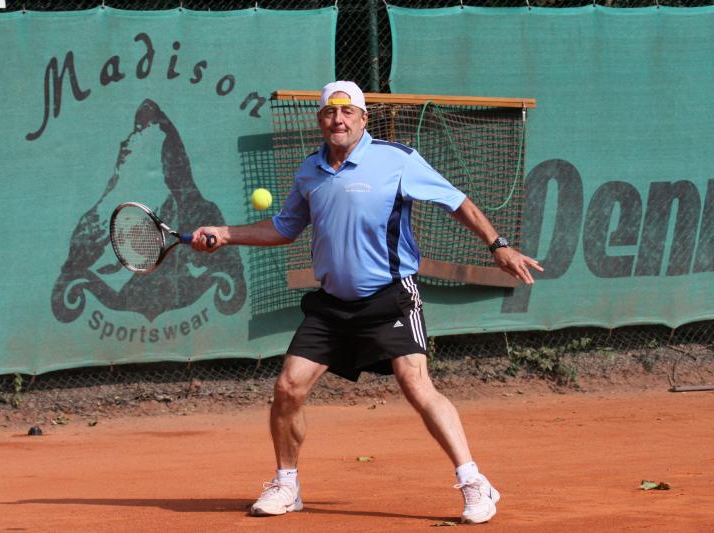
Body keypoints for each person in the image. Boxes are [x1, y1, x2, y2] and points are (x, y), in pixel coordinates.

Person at [191, 80, 543, 524]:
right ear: (320, 119)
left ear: (363, 118)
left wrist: (498, 245)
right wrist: (226, 234)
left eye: (347, 112)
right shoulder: (310, 170)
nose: (337, 120)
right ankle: (286, 484)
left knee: (416, 384)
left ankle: (474, 482)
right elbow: (284, 228)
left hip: (390, 297)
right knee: (288, 388)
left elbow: (457, 202)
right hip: (332, 305)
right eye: (329, 112)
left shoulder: (397, 160)